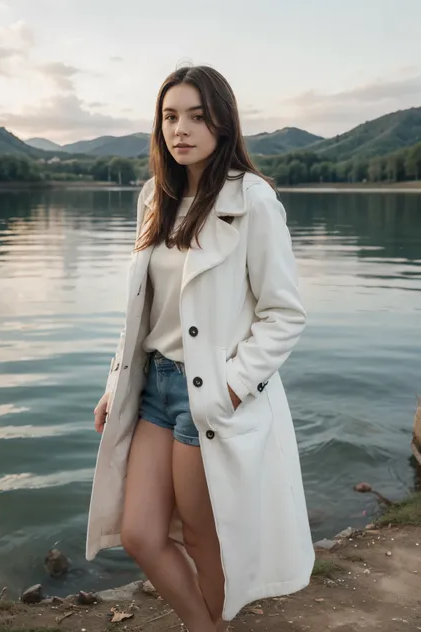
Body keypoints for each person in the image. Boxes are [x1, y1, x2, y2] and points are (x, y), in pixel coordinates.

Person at [86, 65, 315, 632]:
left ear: (223, 122)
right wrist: (116, 385)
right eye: (169, 116)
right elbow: (139, 313)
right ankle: (205, 626)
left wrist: (233, 388)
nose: (180, 129)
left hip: (208, 390)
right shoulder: (154, 198)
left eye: (195, 115)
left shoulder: (251, 200)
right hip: (154, 387)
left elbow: (284, 313)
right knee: (140, 533)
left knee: (200, 533)